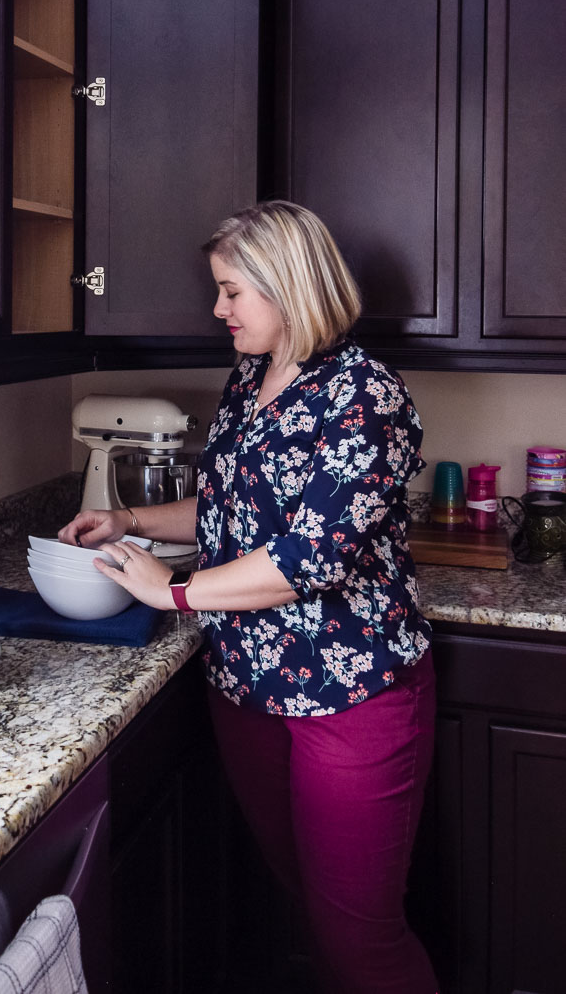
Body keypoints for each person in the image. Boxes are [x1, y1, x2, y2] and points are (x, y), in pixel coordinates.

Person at [59, 200, 438, 994]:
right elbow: (227, 505)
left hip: (350, 695)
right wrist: (127, 518)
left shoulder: (366, 396)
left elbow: (313, 555)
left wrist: (177, 591)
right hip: (247, 689)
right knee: (305, 897)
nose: (218, 308)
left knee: (360, 938)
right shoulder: (249, 378)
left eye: (233, 291)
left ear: (290, 285)